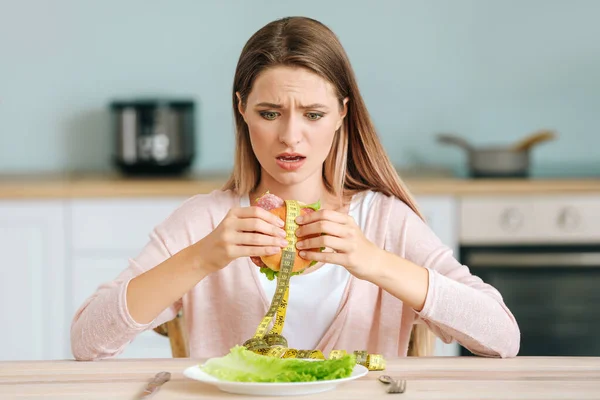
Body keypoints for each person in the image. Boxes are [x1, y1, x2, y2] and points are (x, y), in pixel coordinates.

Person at [70, 16, 520, 361]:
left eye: (313, 114)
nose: (290, 136)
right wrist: (202, 257)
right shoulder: (206, 222)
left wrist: (373, 261)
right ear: (242, 110)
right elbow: (87, 342)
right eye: (269, 113)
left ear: (342, 113)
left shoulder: (384, 222)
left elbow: (503, 338)